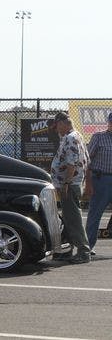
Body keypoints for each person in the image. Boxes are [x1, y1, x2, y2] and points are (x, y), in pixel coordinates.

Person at [50, 112, 91, 264]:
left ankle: (83, 251)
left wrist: (66, 183)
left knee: (73, 219)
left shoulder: (71, 138)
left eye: (56, 126)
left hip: (70, 184)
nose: (56, 130)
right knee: (68, 218)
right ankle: (68, 250)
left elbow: (71, 164)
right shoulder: (75, 135)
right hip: (71, 184)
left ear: (62, 123)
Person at [84, 112, 112, 254]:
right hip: (101, 180)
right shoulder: (98, 137)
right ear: (108, 122)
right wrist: (88, 183)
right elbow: (87, 161)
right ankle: (88, 246)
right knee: (95, 214)